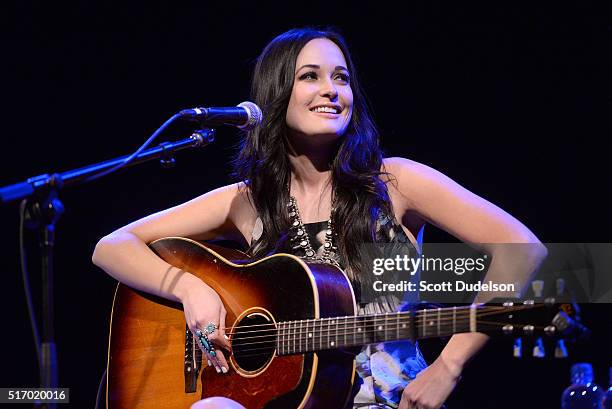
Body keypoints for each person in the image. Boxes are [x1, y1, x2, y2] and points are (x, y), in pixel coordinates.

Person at [92, 27, 547, 409]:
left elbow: (524, 250)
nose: (332, 89)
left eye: (342, 78)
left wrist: (448, 366)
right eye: (310, 76)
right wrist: (190, 289)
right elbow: (111, 246)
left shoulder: (395, 182)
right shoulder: (247, 201)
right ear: (276, 95)